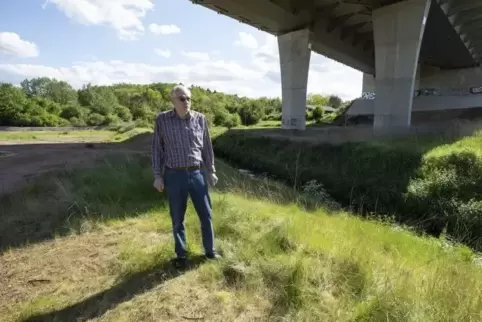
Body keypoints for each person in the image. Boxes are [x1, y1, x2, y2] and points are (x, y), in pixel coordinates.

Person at [151, 84, 220, 268]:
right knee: (177, 218)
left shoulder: (200, 119)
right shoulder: (162, 120)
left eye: (188, 98)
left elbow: (207, 147)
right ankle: (181, 255)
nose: (186, 102)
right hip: (174, 176)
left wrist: (211, 170)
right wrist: (158, 176)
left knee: (206, 215)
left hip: (197, 174)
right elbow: (157, 149)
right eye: (182, 98)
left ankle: (210, 251)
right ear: (173, 101)